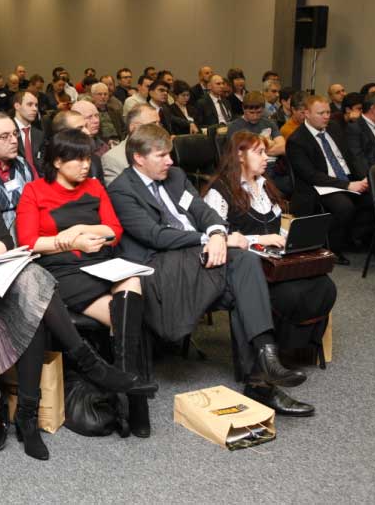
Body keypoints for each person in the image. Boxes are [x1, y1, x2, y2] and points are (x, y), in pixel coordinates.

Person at [0, 126, 151, 457]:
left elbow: (7, 242)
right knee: (32, 299)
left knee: (32, 301)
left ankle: (27, 415)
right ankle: (83, 370)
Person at [107, 125, 307, 408]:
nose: (170, 161)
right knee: (243, 269)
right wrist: (209, 239)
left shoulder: (175, 176)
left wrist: (215, 233)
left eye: (170, 154)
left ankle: (264, 366)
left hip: (199, 256)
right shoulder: (121, 190)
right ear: (139, 158)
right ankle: (263, 374)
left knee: (244, 271)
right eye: (161, 156)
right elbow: (154, 236)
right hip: (161, 264)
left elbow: (204, 212)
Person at [16, 128, 158, 437]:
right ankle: (134, 406)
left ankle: (123, 390)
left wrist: (81, 229)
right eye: (78, 159)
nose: (86, 165)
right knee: (128, 319)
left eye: (87, 158)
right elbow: (28, 242)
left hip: (100, 264)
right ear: (57, 161)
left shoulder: (94, 186)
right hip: (61, 271)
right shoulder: (35, 191)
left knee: (131, 284)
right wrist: (69, 242)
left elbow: (114, 231)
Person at [202, 132, 336, 416]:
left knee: (323, 286)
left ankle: (281, 356)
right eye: (259, 152)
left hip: (275, 262)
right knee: (291, 295)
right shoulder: (220, 191)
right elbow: (216, 238)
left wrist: (289, 238)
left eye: (266, 152)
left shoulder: (265, 185)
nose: (267, 158)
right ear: (239, 155)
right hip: (241, 268)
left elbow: (276, 225)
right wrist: (258, 241)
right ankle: (263, 372)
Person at [286, 95, 372, 263]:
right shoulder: (297, 140)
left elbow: (349, 157)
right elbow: (311, 175)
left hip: (345, 177)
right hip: (320, 185)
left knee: (373, 199)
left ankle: (354, 238)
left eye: (328, 112)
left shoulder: (333, 127)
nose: (326, 116)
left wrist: (363, 178)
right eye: (321, 113)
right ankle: (332, 248)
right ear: (306, 114)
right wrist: (347, 185)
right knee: (344, 206)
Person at [102, 104, 161, 186]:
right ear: (134, 128)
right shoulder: (113, 159)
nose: (159, 128)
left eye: (159, 123)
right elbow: (120, 192)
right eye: (153, 124)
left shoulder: (162, 150)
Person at [13, 90, 44, 177]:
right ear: (17, 106)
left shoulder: (39, 134)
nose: (35, 109)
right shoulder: (6, 131)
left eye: (36, 105)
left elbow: (42, 163)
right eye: (30, 104)